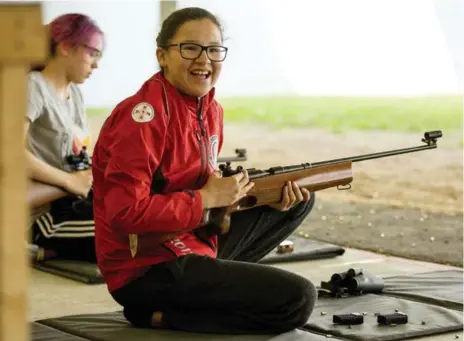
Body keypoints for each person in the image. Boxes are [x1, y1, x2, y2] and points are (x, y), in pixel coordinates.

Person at [92, 7, 318, 335]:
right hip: (145, 269)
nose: (204, 60)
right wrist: (205, 198)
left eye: (213, 49)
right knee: (297, 299)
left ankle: (211, 284)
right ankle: (155, 315)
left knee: (295, 199)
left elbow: (203, 195)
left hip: (193, 239)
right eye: (190, 48)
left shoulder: (211, 109)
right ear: (162, 56)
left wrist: (245, 198)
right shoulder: (141, 117)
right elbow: (125, 213)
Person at [26, 13, 104, 262]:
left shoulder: (76, 95)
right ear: (66, 47)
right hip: (47, 216)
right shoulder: (33, 86)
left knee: (140, 217)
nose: (96, 65)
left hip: (74, 202)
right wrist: (70, 182)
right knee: (121, 233)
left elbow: (77, 159)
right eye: (93, 53)